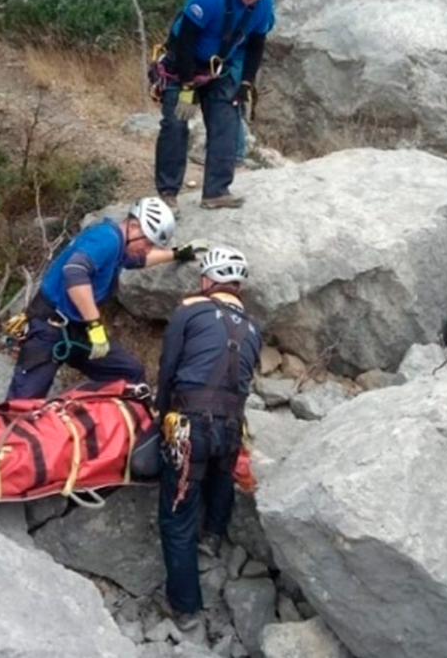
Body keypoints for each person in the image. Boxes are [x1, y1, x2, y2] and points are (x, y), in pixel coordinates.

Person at [156, 246, 261, 628]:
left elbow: (168, 368)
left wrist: (159, 415)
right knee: (221, 475)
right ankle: (213, 536)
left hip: (190, 424)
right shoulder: (253, 327)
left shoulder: (189, 311)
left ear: (206, 280)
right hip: (232, 427)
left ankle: (184, 608)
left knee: (176, 516)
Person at [7, 196, 204, 399]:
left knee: (129, 374)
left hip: (77, 329)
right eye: (147, 242)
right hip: (50, 327)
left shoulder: (119, 244)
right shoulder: (106, 239)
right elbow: (74, 272)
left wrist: (176, 254)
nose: (147, 248)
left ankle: (99, 421)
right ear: (134, 226)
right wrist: (94, 324)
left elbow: (138, 259)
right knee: (23, 402)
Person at [153, 0, 281, 210]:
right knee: (176, 124)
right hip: (183, 63)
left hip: (217, 68)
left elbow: (257, 42)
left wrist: (246, 82)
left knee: (227, 121)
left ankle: (216, 191)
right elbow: (186, 38)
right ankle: (168, 192)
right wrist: (186, 85)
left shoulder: (263, 3)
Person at [217, 0, 250, 166]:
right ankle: (220, 148)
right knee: (217, 103)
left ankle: (237, 151)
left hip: (238, 55)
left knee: (232, 102)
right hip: (221, 55)